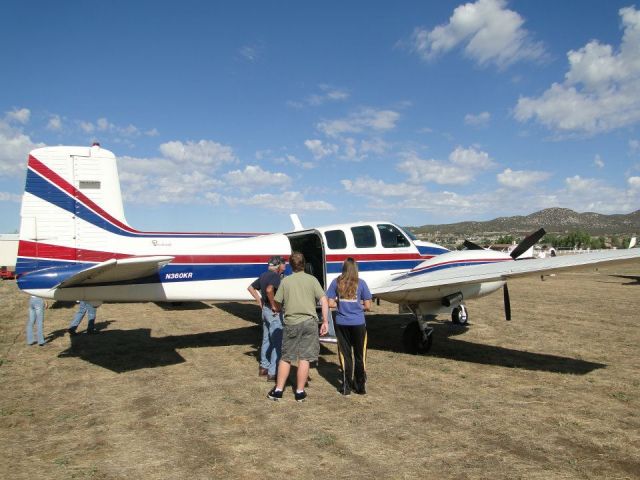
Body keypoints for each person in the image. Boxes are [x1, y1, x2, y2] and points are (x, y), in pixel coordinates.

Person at [267, 251, 329, 402]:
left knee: (286, 358)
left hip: (292, 322)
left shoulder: (286, 281)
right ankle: (300, 392)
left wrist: (277, 308)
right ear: (304, 263)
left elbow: (277, 303)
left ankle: (279, 390)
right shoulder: (312, 280)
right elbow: (324, 300)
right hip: (310, 322)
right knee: (305, 358)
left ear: (290, 265)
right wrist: (326, 321)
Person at [326, 258, 372, 395]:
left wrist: (340, 303)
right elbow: (368, 306)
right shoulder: (361, 283)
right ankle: (360, 386)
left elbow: (330, 303)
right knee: (360, 355)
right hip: (358, 323)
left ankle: (346, 387)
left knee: (345, 355)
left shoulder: (336, 282)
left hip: (342, 323)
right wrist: (358, 306)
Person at [247, 255, 286, 381]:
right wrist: (274, 305)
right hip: (273, 311)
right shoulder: (275, 276)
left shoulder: (264, 275)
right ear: (278, 265)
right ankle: (273, 373)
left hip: (265, 311)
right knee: (277, 342)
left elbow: (250, 288)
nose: (284, 266)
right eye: (283, 264)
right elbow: (270, 290)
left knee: (266, 339)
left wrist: (259, 301)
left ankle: (263, 368)